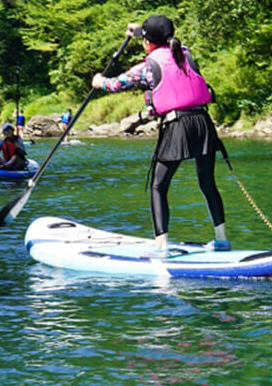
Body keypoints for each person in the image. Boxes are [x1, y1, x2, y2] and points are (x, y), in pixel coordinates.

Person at [92, 15, 229, 257]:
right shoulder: (185, 53)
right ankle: (222, 240)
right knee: (207, 183)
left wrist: (99, 81)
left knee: (158, 185)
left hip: (177, 125)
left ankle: (161, 247)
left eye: (144, 39)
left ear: (148, 42)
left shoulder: (146, 67)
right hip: (203, 123)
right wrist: (140, 33)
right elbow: (164, 47)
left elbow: (116, 84)